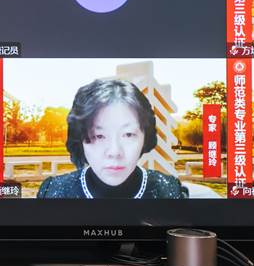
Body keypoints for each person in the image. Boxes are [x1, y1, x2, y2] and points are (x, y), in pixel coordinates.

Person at [37, 79, 186, 199]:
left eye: (128, 134)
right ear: (80, 139)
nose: (114, 152)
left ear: (145, 137)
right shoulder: (53, 192)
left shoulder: (169, 192)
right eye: (99, 136)